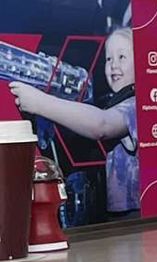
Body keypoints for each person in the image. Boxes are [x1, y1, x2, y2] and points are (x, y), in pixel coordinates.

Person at [8, 27, 138, 216]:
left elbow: (101, 125)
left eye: (122, 57)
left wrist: (40, 102)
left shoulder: (138, 104)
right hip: (117, 211)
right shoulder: (111, 102)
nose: (113, 65)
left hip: (135, 213)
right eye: (108, 59)